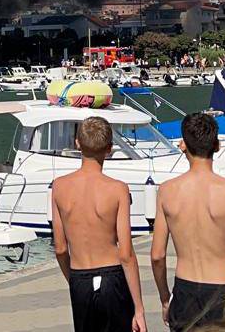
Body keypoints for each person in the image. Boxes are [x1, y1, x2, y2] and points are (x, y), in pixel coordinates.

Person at [151, 112, 225, 332]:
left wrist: (165, 298)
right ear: (217, 146)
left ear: (183, 146)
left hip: (185, 291)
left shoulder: (167, 191)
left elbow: (157, 255)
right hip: (223, 291)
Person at [51, 116, 147, 332]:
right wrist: (139, 308)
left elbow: (60, 248)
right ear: (109, 149)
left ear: (77, 143)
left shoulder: (59, 187)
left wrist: (75, 281)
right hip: (112, 276)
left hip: (80, 276)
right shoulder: (118, 189)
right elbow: (126, 253)